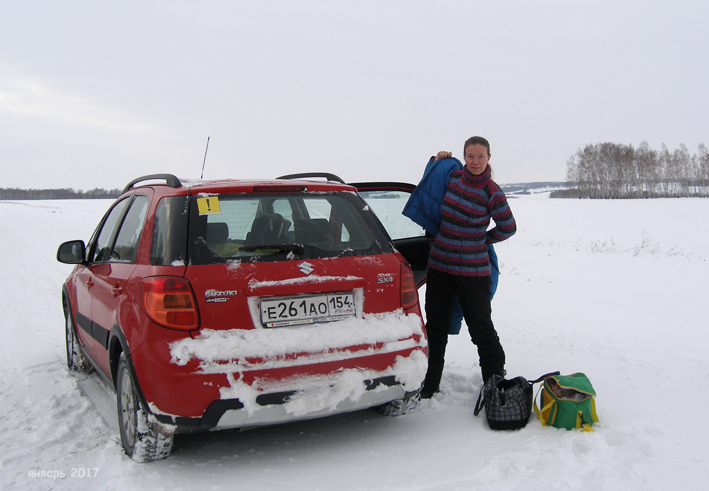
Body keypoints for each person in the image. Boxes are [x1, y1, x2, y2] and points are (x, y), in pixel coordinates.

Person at [420, 136, 516, 399]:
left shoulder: (492, 191)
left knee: (481, 328)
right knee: (436, 327)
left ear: (488, 158)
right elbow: (429, 185)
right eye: (470, 156)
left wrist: (482, 239)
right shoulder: (453, 178)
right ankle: (429, 384)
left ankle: (495, 384)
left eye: (480, 157)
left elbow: (508, 227)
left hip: (473, 273)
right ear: (464, 157)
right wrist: (437, 160)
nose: (475, 162)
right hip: (440, 267)